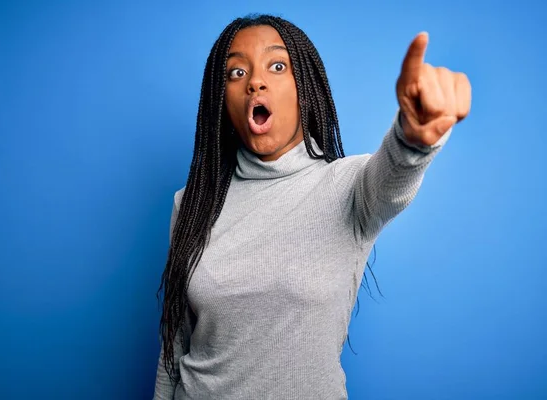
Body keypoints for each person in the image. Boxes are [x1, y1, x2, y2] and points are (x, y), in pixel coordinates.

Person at [153, 13, 471, 400]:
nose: (255, 81)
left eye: (277, 65)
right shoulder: (191, 203)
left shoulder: (349, 187)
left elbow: (394, 173)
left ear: (304, 87)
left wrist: (413, 137)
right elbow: (175, 348)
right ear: (222, 101)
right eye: (236, 73)